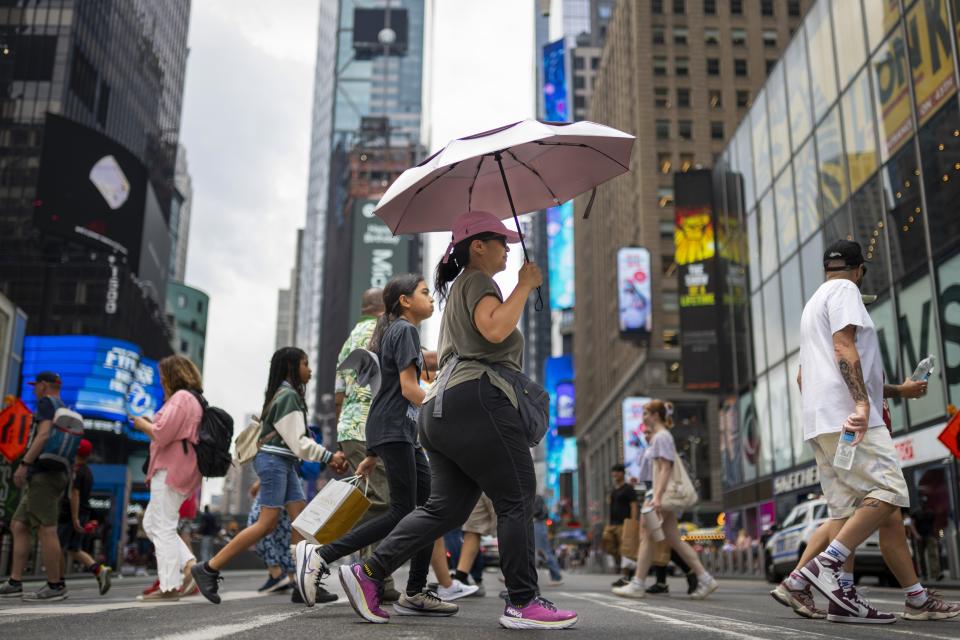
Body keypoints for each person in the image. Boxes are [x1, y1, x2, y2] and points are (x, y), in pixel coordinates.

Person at [335, 210, 578, 629]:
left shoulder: (457, 294)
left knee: (443, 510)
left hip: (440, 412)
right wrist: (524, 284)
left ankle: (369, 573)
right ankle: (522, 601)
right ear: (478, 246)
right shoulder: (480, 282)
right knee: (517, 496)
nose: (508, 249)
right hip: (477, 400)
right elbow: (495, 329)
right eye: (501, 242)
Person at [772, 240, 956, 623]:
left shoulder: (812, 306)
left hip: (821, 422)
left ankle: (839, 598)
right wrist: (860, 404)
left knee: (848, 508)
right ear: (858, 270)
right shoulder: (845, 291)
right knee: (889, 490)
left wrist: (880, 393)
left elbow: (804, 376)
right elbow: (844, 346)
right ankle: (821, 568)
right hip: (850, 419)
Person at [295, 274, 456, 617]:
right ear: (405, 301)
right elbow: (409, 388)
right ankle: (322, 556)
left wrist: (370, 454)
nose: (431, 298)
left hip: (398, 431)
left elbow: (382, 390)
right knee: (402, 511)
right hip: (395, 430)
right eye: (425, 293)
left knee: (430, 508)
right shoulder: (405, 330)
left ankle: (413, 591)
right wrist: (445, 409)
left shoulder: (392, 330)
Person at [192, 347, 347, 604]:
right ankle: (208, 568)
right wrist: (329, 456)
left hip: (282, 462)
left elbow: (294, 445)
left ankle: (302, 583)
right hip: (275, 461)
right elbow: (298, 442)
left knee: (303, 521)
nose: (310, 369)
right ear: (291, 367)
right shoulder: (287, 396)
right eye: (305, 364)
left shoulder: (285, 394)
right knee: (267, 523)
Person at [331, 287, 399, 603]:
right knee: (383, 501)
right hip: (373, 428)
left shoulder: (350, 338)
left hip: (352, 427)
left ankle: (373, 574)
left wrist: (341, 440)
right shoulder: (384, 330)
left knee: (374, 499)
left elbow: (338, 396)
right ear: (385, 305)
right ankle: (365, 572)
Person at [613, 399, 718, 600]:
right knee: (672, 539)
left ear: (655, 415)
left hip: (658, 495)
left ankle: (638, 583)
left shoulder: (662, 437)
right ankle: (705, 579)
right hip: (657, 493)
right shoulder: (660, 438)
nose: (643, 418)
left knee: (648, 536)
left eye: (645, 413)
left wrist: (657, 497)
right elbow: (660, 468)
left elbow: (665, 468)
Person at [130, 355, 205, 602]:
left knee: (162, 525)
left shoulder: (181, 398)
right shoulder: (191, 400)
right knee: (152, 523)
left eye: (163, 376)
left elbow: (162, 435)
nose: (161, 381)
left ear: (173, 376)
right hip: (179, 468)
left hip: (171, 470)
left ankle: (169, 586)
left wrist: (143, 424)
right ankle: (189, 565)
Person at [0, 371, 70, 601]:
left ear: (43, 385)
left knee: (46, 528)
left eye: (35, 385)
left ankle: (55, 585)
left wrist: (25, 464)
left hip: (43, 475)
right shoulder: (64, 407)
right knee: (19, 524)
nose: (33, 389)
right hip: (56, 473)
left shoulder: (46, 404)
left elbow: (42, 436)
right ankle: (15, 581)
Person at [57, 439, 111, 596]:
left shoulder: (77, 471)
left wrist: (74, 518)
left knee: (58, 547)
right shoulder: (87, 471)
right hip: (83, 513)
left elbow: (75, 494)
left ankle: (58, 582)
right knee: (74, 549)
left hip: (70, 514)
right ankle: (99, 570)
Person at [247, 480, 293, 593]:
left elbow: (275, 464)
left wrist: (258, 483)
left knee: (258, 525)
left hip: (273, 481)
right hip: (291, 482)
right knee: (281, 531)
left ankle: (277, 574)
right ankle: (289, 578)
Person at [605, 464, 638, 587]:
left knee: (626, 550)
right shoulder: (614, 490)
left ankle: (627, 577)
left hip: (625, 524)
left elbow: (633, 505)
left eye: (618, 472)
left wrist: (633, 522)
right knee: (607, 542)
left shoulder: (628, 488)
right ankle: (626, 573)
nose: (615, 474)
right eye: (613, 472)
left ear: (622, 473)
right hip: (613, 524)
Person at [533, 494, 564, 586]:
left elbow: (537, 511)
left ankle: (556, 576)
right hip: (536, 524)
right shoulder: (534, 496)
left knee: (544, 551)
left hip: (537, 524)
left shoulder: (535, 497)